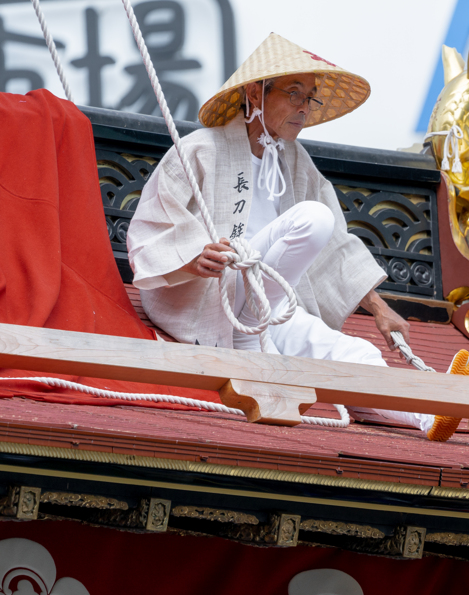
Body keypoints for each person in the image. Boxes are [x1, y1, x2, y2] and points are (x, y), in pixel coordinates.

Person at [126, 33, 433, 431]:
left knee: (350, 351)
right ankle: (247, 333)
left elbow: (335, 247)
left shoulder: (295, 161)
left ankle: (429, 414)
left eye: (310, 97)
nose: (304, 108)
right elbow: (154, 224)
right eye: (294, 94)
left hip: (266, 306)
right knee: (313, 218)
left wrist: (379, 308)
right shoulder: (201, 149)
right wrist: (192, 256)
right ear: (256, 93)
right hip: (206, 299)